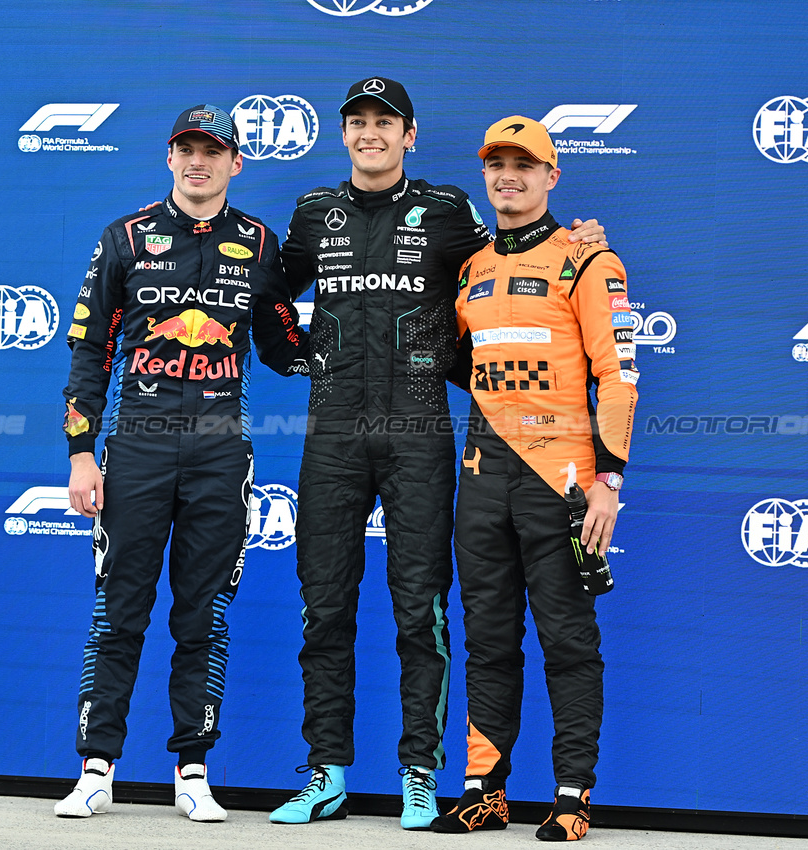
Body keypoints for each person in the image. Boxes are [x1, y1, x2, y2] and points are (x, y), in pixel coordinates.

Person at [269, 78, 607, 830]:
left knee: (419, 610)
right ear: (344, 134)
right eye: (356, 122)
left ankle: (418, 772)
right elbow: (268, 297)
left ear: (409, 135)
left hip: (421, 438)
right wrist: (303, 359)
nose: (369, 134)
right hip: (332, 436)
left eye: (383, 123)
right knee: (323, 607)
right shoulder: (313, 213)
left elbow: (502, 275)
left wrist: (577, 244)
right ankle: (326, 772)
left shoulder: (449, 211)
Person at [54, 104, 308, 822]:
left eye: (212, 150)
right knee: (117, 612)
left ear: (235, 163)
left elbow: (283, 344)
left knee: (204, 616)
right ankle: (95, 767)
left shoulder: (259, 244)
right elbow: (88, 354)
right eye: (186, 148)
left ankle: (192, 769)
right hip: (134, 445)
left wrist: (345, 347)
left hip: (219, 452)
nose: (198, 161)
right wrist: (80, 455)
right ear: (169, 158)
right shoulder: (125, 237)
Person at [429, 116, 637, 842]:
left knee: (567, 642)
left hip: (564, 484)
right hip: (482, 482)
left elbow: (616, 377)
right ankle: (484, 789)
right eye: (496, 165)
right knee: (485, 639)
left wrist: (608, 480)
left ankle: (572, 794)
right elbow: (463, 365)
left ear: (551, 177)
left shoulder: (586, 259)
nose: (507, 177)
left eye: (524, 165)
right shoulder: (471, 268)